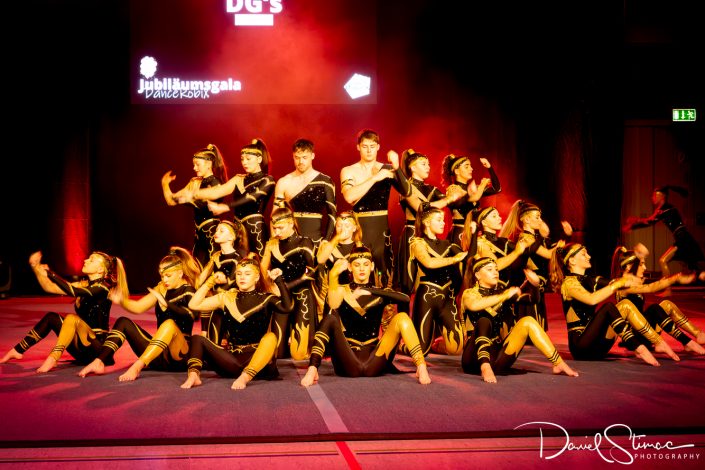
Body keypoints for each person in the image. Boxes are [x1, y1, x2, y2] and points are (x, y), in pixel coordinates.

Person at [300, 247, 431, 387]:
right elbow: (327, 323)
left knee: (402, 317)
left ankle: (421, 365)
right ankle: (313, 368)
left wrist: (370, 290)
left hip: (374, 361)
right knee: (330, 318)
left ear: (372, 266)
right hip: (348, 360)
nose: (362, 268)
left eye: (366, 264)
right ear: (350, 267)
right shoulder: (341, 292)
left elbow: (405, 299)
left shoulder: (380, 293)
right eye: (357, 265)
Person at [78, 247, 202, 380]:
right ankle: (99, 361)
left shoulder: (188, 290)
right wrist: (122, 301)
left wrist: (167, 305)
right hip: (158, 354)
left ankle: (137, 367)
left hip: (178, 356)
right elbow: (138, 307)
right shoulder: (161, 288)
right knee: (123, 322)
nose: (164, 280)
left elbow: (194, 315)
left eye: (168, 276)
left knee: (169, 324)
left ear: (180, 273)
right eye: (162, 276)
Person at [549, 243, 679, 366]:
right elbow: (591, 299)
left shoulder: (591, 280)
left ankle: (658, 341)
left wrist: (674, 278)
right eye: (583, 254)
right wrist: (618, 283)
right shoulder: (568, 283)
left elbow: (635, 286)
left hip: (598, 347)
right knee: (608, 308)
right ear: (572, 260)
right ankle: (638, 347)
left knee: (625, 304)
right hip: (581, 348)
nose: (589, 256)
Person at [181, 257, 294, 390]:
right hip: (232, 360)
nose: (242, 277)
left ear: (257, 277)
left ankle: (246, 376)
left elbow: (287, 307)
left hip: (259, 361)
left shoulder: (266, 298)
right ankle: (194, 375)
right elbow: (194, 304)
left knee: (271, 337)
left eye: (247, 274)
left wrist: (279, 280)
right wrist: (211, 281)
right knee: (197, 338)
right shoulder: (226, 297)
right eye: (239, 273)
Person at [460, 257, 578, 383]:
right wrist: (505, 296)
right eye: (490, 269)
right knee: (483, 320)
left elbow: (532, 300)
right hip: (473, 359)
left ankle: (558, 363)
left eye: (496, 269)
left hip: (497, 356)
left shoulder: (501, 293)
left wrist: (535, 286)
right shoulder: (469, 293)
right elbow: (474, 305)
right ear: (477, 275)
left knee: (528, 321)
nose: (495, 272)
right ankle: (485, 366)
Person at [1, 251, 121, 373]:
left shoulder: (103, 288)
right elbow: (50, 287)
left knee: (72, 318)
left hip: (98, 350)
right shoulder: (83, 284)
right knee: (51, 317)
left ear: (100, 269)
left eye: (91, 260)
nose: (86, 260)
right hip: (81, 349)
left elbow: (73, 291)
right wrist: (36, 268)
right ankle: (17, 350)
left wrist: (50, 273)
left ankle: (53, 357)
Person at [340, 129, 412, 288]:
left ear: (378, 147)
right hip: (359, 229)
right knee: (357, 271)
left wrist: (396, 166)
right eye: (365, 146)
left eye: (372, 146)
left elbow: (407, 192)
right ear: (358, 147)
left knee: (384, 274)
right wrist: (375, 178)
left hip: (381, 230)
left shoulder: (387, 169)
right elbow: (349, 197)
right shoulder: (349, 170)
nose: (369, 150)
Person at [611, 246, 705, 356]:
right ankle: (686, 341)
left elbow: (656, 284)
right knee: (654, 309)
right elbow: (650, 288)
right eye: (641, 264)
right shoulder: (623, 284)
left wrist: (692, 276)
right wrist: (676, 278)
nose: (645, 268)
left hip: (645, 332)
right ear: (628, 266)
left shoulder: (635, 282)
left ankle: (698, 334)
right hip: (634, 337)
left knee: (667, 305)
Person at [190, 139, 275, 258]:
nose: (244, 162)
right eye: (242, 159)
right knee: (237, 263)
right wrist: (188, 195)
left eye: (248, 159)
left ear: (259, 159)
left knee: (259, 263)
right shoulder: (239, 179)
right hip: (237, 229)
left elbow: (251, 198)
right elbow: (217, 192)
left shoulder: (268, 180)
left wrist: (226, 206)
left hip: (255, 229)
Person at [396, 149, 460, 293]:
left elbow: (454, 202)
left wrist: (456, 184)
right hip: (412, 234)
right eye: (423, 164)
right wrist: (449, 199)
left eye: (429, 164)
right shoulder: (406, 188)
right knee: (408, 280)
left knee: (434, 276)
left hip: (430, 237)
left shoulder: (431, 189)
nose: (428, 167)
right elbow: (422, 208)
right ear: (412, 167)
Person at [406, 206, 467, 356]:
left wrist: (474, 231)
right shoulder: (417, 243)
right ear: (427, 223)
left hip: (447, 297)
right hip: (427, 297)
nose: (443, 223)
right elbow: (429, 263)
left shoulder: (447, 244)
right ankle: (403, 347)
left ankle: (436, 345)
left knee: (456, 349)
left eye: (443, 220)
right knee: (421, 350)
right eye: (439, 220)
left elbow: (468, 257)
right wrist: (453, 259)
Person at [623, 185, 705, 296]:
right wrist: (633, 225)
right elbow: (650, 221)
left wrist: (634, 222)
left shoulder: (667, 209)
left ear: (661, 196)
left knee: (663, 260)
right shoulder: (663, 210)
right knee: (698, 271)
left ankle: (668, 289)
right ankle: (668, 289)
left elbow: (649, 221)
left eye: (654, 195)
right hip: (682, 238)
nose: (652, 197)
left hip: (683, 239)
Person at [260, 205, 317, 360]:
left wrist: (285, 287)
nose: (276, 232)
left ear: (291, 223)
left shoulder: (305, 242)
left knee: (299, 354)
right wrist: (268, 283)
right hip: (281, 298)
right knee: (276, 353)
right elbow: (262, 271)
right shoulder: (272, 244)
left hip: (301, 294)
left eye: (280, 228)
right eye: (274, 228)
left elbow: (312, 273)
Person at [498, 200, 564, 331]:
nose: (540, 221)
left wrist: (561, 240)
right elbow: (548, 254)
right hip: (528, 283)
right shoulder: (526, 238)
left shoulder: (535, 238)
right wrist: (559, 247)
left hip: (537, 282)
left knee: (537, 316)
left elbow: (551, 249)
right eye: (537, 217)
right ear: (527, 220)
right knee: (531, 316)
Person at [161, 143, 228, 268]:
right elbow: (171, 201)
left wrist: (190, 196)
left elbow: (204, 204)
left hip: (212, 230)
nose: (194, 168)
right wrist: (165, 184)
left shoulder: (216, 183)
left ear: (208, 164)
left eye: (197, 164)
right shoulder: (195, 182)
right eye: (194, 165)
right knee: (198, 268)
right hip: (199, 233)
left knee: (215, 266)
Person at [273, 138, 336, 248]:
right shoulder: (284, 182)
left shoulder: (325, 181)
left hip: (316, 241)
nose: (300, 162)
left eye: (304, 157)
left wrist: (326, 240)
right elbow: (275, 215)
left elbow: (332, 214)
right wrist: (274, 241)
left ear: (313, 156)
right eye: (297, 158)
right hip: (289, 241)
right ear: (293, 156)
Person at [196, 219, 249, 339]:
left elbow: (230, 282)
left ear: (231, 237)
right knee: (204, 295)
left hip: (230, 297)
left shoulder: (237, 258)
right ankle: (204, 330)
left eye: (221, 231)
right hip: (216, 296)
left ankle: (222, 334)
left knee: (213, 298)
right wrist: (194, 284)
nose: (216, 233)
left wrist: (216, 282)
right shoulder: (216, 256)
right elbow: (203, 276)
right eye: (216, 230)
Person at [441, 154, 501, 247]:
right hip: (460, 233)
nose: (471, 169)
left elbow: (497, 189)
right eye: (467, 166)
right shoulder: (453, 189)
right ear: (457, 171)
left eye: (470, 166)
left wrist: (489, 167)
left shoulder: (473, 189)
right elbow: (472, 198)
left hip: (473, 232)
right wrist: (482, 185)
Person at [314, 211, 363, 315]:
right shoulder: (329, 246)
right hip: (334, 294)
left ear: (354, 228)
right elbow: (320, 260)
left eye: (347, 226)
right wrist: (336, 239)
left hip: (353, 296)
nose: (342, 229)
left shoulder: (360, 247)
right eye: (339, 225)